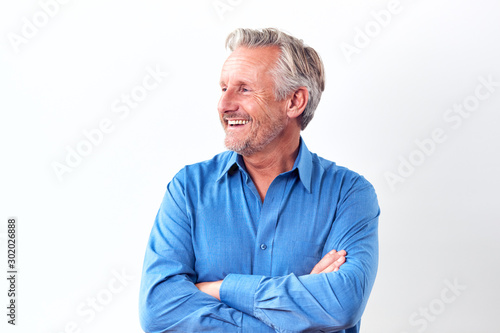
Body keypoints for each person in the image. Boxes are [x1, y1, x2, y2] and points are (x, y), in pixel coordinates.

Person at [139, 28, 379, 333]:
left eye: (244, 89)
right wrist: (300, 309)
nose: (224, 104)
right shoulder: (188, 188)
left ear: (294, 101)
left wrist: (220, 288)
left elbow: (341, 304)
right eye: (224, 87)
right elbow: (158, 310)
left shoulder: (349, 194)